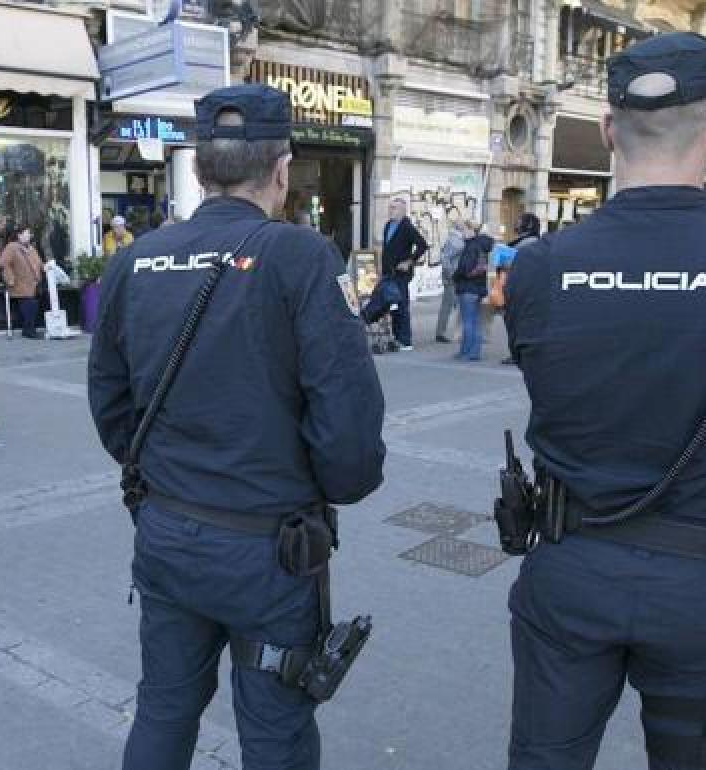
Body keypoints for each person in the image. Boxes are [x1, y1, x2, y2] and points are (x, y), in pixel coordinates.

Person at [503, 33, 706, 770]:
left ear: (610, 130)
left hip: (571, 569)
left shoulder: (540, 267)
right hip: (705, 585)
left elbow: (545, 384)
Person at [87, 83, 386, 770]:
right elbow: (348, 425)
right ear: (282, 169)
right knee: (275, 732)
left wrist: (160, 470)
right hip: (267, 552)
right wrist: (333, 486)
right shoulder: (300, 256)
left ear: (198, 169)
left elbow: (109, 399)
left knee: (164, 708)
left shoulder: (136, 260)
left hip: (167, 532)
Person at [378, 198, 428, 350]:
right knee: (392, 305)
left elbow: (422, 245)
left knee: (401, 305)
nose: (390, 210)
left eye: (394, 208)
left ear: (402, 210)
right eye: (390, 207)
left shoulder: (407, 227)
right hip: (388, 272)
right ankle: (396, 337)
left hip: (400, 274)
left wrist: (409, 261)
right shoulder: (388, 225)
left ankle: (406, 340)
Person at [499, 213, 541, 364]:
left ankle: (518, 353)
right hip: (519, 286)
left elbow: (519, 263)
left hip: (521, 288)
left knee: (516, 322)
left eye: (518, 222)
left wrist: (504, 261)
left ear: (528, 225)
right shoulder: (525, 241)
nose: (515, 225)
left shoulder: (528, 243)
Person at [453, 220, 492, 361]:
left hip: (468, 287)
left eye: (463, 230)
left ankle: (467, 352)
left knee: (468, 321)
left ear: (471, 231)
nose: (461, 233)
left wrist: (456, 275)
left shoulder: (471, 246)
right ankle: (473, 352)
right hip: (478, 287)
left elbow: (465, 268)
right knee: (475, 321)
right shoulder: (482, 246)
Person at [0, 224, 44, 339]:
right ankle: (29, 330)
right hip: (19, 283)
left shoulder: (31, 248)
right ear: (19, 235)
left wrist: (45, 268)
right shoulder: (12, 247)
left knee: (33, 305)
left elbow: (39, 263)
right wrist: (10, 278)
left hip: (32, 284)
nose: (29, 235)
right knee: (30, 304)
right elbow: (4, 263)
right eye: (27, 233)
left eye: (29, 233)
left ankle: (29, 329)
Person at [435, 220, 465, 343]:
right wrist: (450, 274)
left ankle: (444, 332)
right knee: (448, 305)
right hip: (453, 277)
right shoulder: (456, 241)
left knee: (450, 305)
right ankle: (441, 333)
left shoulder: (455, 239)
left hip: (453, 276)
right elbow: (446, 258)